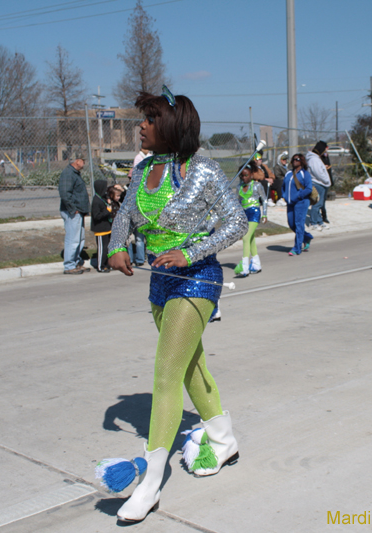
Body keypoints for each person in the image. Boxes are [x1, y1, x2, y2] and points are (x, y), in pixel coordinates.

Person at [102, 88, 247, 523]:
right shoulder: (144, 168)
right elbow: (125, 215)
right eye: (143, 119)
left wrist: (190, 252)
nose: (141, 127)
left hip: (197, 278)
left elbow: (236, 222)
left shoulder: (202, 170)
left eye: (149, 119)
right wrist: (117, 246)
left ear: (170, 125)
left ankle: (149, 483)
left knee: (165, 373)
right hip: (160, 283)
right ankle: (223, 440)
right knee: (190, 367)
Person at [234, 162, 267, 277]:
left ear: (251, 175)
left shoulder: (257, 185)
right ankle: (256, 264)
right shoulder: (239, 187)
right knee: (251, 238)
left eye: (246, 175)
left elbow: (264, 199)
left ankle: (245, 266)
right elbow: (237, 202)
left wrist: (264, 214)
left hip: (254, 213)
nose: (244, 178)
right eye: (242, 176)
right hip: (244, 214)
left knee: (246, 237)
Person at [58, 154, 90, 275]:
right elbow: (65, 193)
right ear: (77, 161)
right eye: (83, 161)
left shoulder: (74, 173)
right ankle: (69, 265)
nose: (84, 164)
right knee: (72, 239)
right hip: (72, 212)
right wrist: (73, 209)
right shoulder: (68, 173)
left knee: (79, 239)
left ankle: (76, 262)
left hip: (79, 211)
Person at [283, 153, 314, 255]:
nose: (295, 161)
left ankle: (297, 248)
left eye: (297, 159)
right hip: (290, 203)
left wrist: (299, 196)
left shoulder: (305, 174)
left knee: (299, 224)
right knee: (291, 224)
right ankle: (307, 237)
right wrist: (284, 196)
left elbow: (309, 188)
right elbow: (283, 186)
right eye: (293, 159)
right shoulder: (288, 173)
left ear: (302, 162)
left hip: (301, 202)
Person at [306, 141, 330, 230]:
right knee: (316, 204)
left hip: (321, 184)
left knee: (320, 204)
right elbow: (318, 173)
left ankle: (319, 221)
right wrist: (326, 180)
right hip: (317, 184)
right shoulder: (313, 159)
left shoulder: (316, 158)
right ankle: (313, 223)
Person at [90, 180, 113, 272]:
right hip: (100, 229)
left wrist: (109, 204)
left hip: (106, 227)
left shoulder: (102, 198)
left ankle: (107, 264)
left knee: (107, 248)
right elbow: (96, 216)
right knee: (102, 249)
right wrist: (108, 211)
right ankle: (100, 266)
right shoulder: (96, 201)